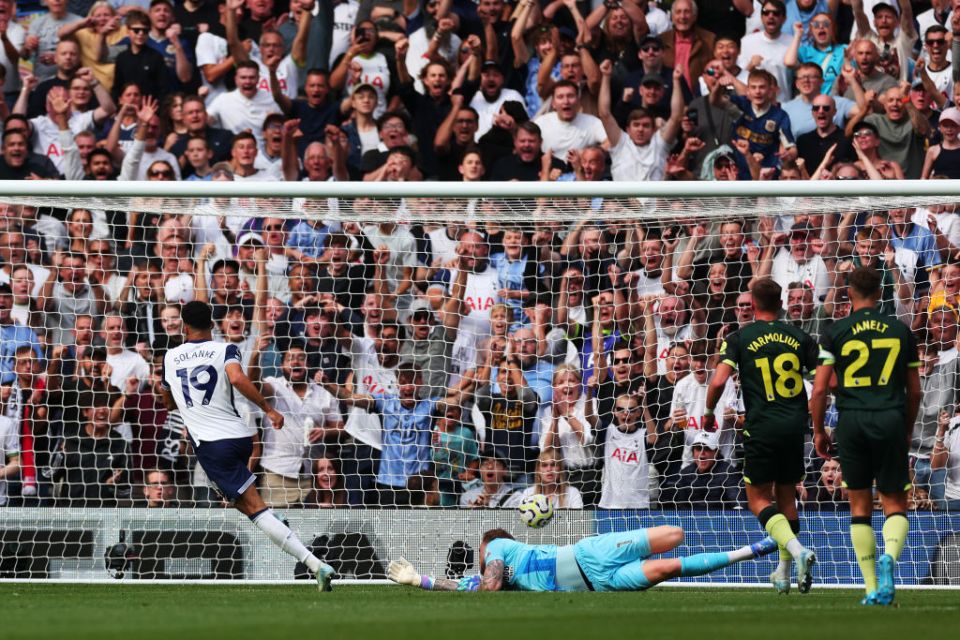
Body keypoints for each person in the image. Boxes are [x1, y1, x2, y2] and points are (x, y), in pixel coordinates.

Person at [160, 300, 335, 590]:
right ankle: (273, 517)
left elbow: (168, 404)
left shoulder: (170, 357)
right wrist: (267, 409)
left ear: (183, 326)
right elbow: (236, 377)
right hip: (241, 437)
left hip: (212, 446)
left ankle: (315, 565)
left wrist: (172, 390)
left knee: (254, 510)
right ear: (213, 324)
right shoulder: (226, 348)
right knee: (240, 500)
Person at [811, 266, 922, 606]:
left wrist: (818, 430)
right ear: (880, 291)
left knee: (859, 508)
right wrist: (905, 429)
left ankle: (872, 588)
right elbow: (915, 392)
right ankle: (890, 555)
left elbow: (819, 390)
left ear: (848, 292)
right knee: (894, 504)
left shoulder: (835, 331)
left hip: (852, 421)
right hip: (889, 417)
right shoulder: (901, 331)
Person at [705, 278, 818, 595]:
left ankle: (797, 552)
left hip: (761, 427)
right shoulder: (799, 336)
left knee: (757, 500)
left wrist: (708, 410)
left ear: (752, 305)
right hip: (795, 428)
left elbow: (717, 382)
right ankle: (783, 572)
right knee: (787, 499)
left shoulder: (740, 337)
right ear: (781, 304)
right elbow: (825, 376)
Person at [387, 527, 777, 592]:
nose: (481, 560)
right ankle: (753, 551)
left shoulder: (501, 549)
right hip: (600, 584)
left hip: (592, 552)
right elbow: (465, 586)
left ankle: (756, 546)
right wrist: (419, 579)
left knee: (676, 535)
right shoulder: (496, 580)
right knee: (671, 567)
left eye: (482, 554)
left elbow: (484, 586)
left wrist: (490, 580)